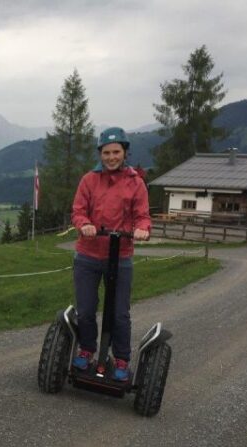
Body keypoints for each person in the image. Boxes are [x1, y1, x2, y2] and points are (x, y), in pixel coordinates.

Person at [70, 127, 151, 380]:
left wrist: (141, 229)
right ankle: (86, 350)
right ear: (100, 154)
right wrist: (84, 224)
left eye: (116, 152)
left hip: (121, 255)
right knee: (85, 309)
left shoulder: (136, 183)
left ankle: (122, 359)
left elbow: (142, 216)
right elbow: (78, 210)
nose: (111, 157)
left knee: (119, 312)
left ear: (125, 153)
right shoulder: (89, 180)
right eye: (106, 152)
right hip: (88, 254)